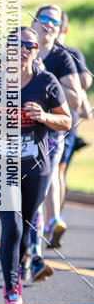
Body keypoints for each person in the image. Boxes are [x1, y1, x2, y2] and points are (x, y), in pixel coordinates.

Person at [0, 27, 71, 304]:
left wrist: (43, 116)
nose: (24, 50)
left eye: (30, 45)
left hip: (35, 166)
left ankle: (25, 260)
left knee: (26, 227)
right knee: (13, 227)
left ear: (35, 50)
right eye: (17, 44)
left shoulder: (45, 82)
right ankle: (12, 292)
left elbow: (66, 121)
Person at [29, 4, 81, 251]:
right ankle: (27, 245)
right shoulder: (19, 50)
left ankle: (37, 247)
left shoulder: (63, 58)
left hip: (52, 134)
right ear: (34, 21)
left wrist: (48, 83)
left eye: (55, 22)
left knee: (44, 182)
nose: (49, 24)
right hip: (20, 133)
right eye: (45, 18)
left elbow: (76, 100)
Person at [57, 11, 92, 209]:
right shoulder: (34, 52)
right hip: (38, 122)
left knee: (59, 171)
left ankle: (54, 219)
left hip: (66, 122)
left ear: (65, 30)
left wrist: (62, 76)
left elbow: (86, 80)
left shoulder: (71, 53)